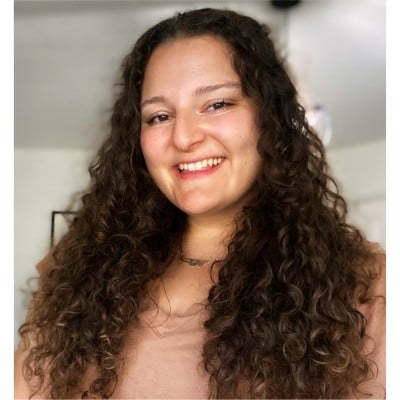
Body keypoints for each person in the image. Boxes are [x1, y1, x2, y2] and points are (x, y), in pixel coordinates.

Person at [14, 7, 385, 399]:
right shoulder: (76, 274)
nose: (183, 137)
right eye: (159, 116)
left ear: (269, 117)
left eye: (217, 104)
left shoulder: (365, 286)